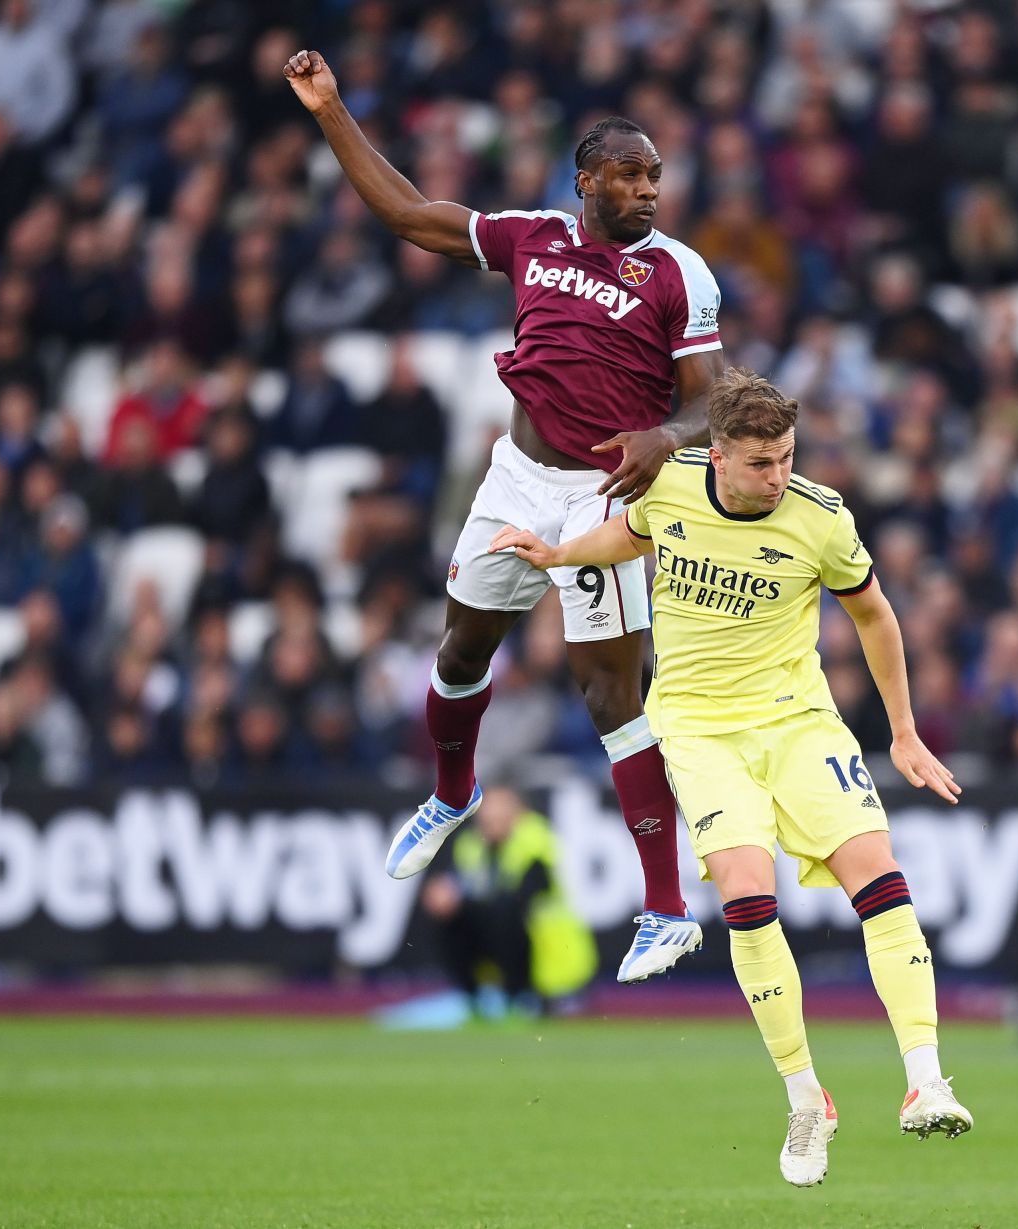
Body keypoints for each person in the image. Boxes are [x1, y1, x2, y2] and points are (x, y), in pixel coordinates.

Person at [286, 50, 727, 982]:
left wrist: (666, 436)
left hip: (606, 497)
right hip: (517, 480)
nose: (650, 189)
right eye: (632, 174)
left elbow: (714, 399)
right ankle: (452, 795)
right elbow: (408, 215)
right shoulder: (532, 235)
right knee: (457, 655)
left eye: (656, 175)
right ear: (587, 181)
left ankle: (664, 906)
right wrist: (330, 110)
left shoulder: (679, 273)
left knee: (612, 693)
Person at [491, 370, 973, 1188]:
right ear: (715, 454)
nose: (777, 476)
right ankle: (804, 1097)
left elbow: (875, 614)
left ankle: (925, 1078)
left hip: (798, 723)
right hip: (701, 730)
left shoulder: (820, 517)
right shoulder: (671, 485)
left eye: (786, 458)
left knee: (882, 882)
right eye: (759, 463)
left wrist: (902, 731)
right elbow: (635, 537)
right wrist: (563, 552)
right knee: (749, 901)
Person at [418, 785, 598, 1016]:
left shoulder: (535, 840)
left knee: (504, 914)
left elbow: (518, 899)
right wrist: (447, 895)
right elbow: (466, 887)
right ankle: (474, 999)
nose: (491, 821)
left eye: (498, 814)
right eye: (486, 815)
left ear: (518, 813)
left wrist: (461, 899)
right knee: (449, 917)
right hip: (504, 941)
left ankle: (519, 998)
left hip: (550, 956)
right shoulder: (472, 844)